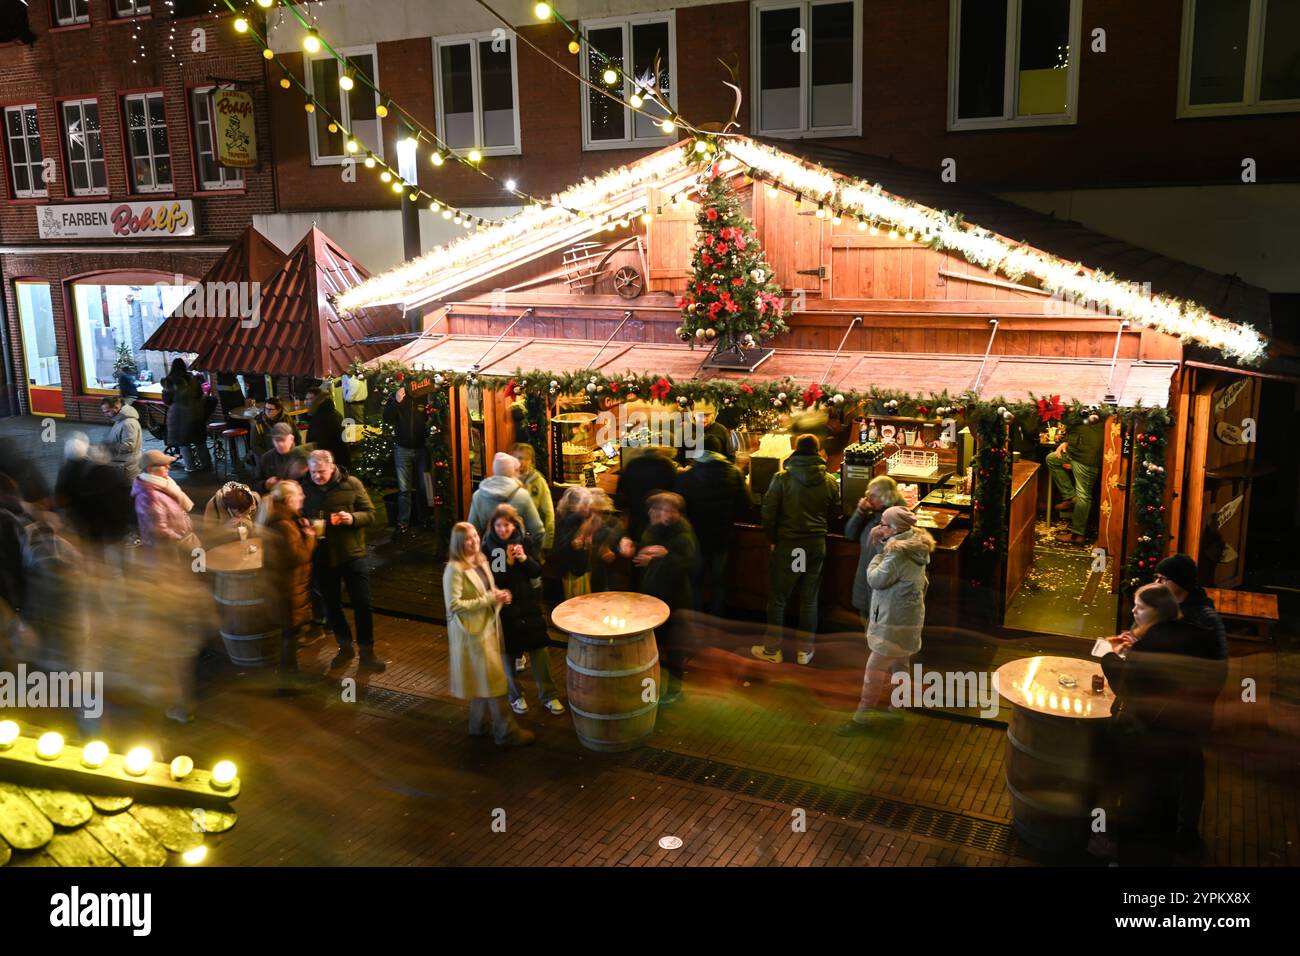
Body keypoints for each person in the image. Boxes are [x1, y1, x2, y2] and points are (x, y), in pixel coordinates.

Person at [1099, 583, 1221, 864]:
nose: (1133, 611)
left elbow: (1127, 687)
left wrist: (1110, 655)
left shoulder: (1151, 647)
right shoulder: (1186, 633)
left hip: (1151, 742)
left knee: (1141, 807)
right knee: (1166, 804)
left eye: (1139, 607)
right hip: (1182, 734)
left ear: (1155, 612)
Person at [1152, 553, 1230, 849]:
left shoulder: (1204, 619)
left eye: (1162, 579)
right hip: (1168, 705)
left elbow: (1217, 669)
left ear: (1179, 583)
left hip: (1189, 708)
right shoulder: (1171, 609)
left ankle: (1186, 831)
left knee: (1188, 769)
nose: (1156, 583)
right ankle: (1168, 823)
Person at [836, 507, 935, 735]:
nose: (878, 528)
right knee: (901, 666)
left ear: (895, 529)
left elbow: (876, 578)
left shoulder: (897, 555)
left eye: (883, 524)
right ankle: (896, 710)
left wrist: (876, 554)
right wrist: (883, 546)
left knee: (874, 672)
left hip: (892, 624)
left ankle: (862, 719)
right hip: (908, 621)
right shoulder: (913, 545)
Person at [443, 521, 535, 747]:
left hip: (487, 627)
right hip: (473, 633)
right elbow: (454, 604)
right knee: (495, 680)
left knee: (483, 679)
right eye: (468, 538)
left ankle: (477, 725)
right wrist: (489, 599)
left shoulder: (481, 560)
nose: (474, 541)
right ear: (458, 543)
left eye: (475, 535)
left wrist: (499, 594)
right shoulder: (454, 569)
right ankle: (506, 731)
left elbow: (485, 588)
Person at [752, 434, 840, 665]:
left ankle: (772, 650)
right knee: (809, 599)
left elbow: (768, 513)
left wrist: (772, 538)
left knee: (779, 598)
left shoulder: (782, 478)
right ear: (819, 452)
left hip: (791, 546)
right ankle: (804, 651)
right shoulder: (830, 481)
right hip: (815, 545)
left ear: (795, 450)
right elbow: (835, 512)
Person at [301, 449, 386, 672]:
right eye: (313, 472)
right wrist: (304, 527)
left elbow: (370, 513)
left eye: (321, 472)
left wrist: (352, 518)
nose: (317, 476)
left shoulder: (352, 484)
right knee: (332, 605)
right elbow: (296, 516)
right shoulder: (304, 488)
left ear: (332, 467)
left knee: (363, 604)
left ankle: (367, 654)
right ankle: (345, 648)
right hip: (321, 557)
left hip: (352, 554)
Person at [482, 504, 565, 716]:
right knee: (509, 655)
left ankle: (549, 695)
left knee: (540, 649)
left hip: (528, 605)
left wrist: (524, 558)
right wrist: (510, 561)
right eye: (499, 525)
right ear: (493, 526)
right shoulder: (494, 548)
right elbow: (499, 579)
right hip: (506, 609)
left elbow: (536, 570)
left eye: (507, 525)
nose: (503, 530)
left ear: (514, 525)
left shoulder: (524, 542)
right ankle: (515, 696)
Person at [621, 491, 697, 705]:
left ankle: (674, 690)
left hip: (674, 601)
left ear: (670, 512)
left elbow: (690, 566)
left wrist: (661, 557)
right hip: (653, 598)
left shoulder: (682, 535)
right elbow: (645, 553)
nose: (650, 513)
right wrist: (632, 547)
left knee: (674, 648)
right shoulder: (656, 529)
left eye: (656, 509)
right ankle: (652, 688)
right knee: (655, 646)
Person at [676, 435, 749, 616]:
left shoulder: (687, 476)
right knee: (719, 580)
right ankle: (717, 616)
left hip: (696, 536)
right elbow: (745, 504)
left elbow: (679, 506)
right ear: (720, 451)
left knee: (695, 581)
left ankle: (696, 617)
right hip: (722, 536)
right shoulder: (734, 473)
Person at [259, 480, 317, 688]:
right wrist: (311, 537)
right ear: (289, 499)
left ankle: (291, 675)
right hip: (288, 588)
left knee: (290, 633)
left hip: (287, 587)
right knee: (290, 635)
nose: (303, 497)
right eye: (299, 495)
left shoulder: (285, 516)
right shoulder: (284, 524)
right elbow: (297, 556)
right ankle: (287, 682)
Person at [843, 475, 906, 628]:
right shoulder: (872, 516)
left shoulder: (898, 521)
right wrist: (860, 512)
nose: (868, 499)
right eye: (867, 494)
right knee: (868, 632)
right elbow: (849, 534)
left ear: (887, 497)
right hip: (865, 585)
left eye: (872, 496)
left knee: (880, 636)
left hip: (883, 592)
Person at [55, 433, 133, 547]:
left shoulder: (68, 470)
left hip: (88, 522)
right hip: (112, 522)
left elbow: (62, 496)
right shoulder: (108, 472)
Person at [1047, 412, 1105, 545]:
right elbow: (1078, 429)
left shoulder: (1089, 410)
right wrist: (1066, 443)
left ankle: (1077, 535)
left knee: (1084, 495)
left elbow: (1074, 423)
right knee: (1052, 459)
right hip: (1078, 453)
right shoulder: (1086, 410)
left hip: (1086, 458)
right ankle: (1071, 497)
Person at [132, 450, 200, 558]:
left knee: (197, 566)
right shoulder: (148, 497)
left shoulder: (164, 483)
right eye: (163, 465)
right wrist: (182, 538)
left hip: (182, 541)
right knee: (188, 571)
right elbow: (159, 530)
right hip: (172, 550)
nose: (168, 467)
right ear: (150, 469)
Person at [383, 381, 430, 534]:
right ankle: (403, 522)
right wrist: (396, 401)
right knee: (404, 490)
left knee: (424, 487)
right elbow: (387, 418)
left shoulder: (425, 395)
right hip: (402, 448)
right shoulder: (397, 395)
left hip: (422, 448)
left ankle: (425, 520)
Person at [467, 452, 544, 541]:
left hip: (487, 551)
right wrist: (530, 550)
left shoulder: (478, 495)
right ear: (512, 471)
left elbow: (472, 530)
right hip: (516, 552)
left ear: (494, 469)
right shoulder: (522, 496)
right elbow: (538, 531)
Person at [616, 444, 679, 546]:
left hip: (636, 507)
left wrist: (623, 507)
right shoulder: (667, 465)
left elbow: (621, 488)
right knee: (657, 538)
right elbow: (674, 489)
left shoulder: (632, 464)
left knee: (637, 537)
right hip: (658, 508)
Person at [161, 358, 211, 473]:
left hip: (179, 416)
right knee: (200, 441)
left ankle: (190, 467)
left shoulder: (169, 381)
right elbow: (200, 394)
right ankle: (206, 464)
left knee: (183, 443)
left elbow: (167, 400)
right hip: (196, 413)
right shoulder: (193, 379)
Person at [512, 443, 554, 553]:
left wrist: (547, 542)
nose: (518, 461)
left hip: (532, 539)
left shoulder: (539, 482)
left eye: (521, 458)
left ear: (530, 461)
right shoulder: (508, 480)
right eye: (515, 458)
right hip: (510, 537)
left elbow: (548, 512)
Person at [202, 482, 261, 546]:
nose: (241, 516)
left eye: (245, 512)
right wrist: (225, 528)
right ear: (229, 507)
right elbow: (207, 534)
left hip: (247, 544)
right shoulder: (214, 504)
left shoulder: (255, 500)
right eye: (238, 512)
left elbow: (257, 527)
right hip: (223, 545)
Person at [99, 396, 142, 481]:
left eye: (107, 411)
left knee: (126, 489)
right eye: (104, 412)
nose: (105, 415)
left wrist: (109, 446)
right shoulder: (120, 420)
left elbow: (129, 446)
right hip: (123, 463)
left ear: (116, 407)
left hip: (127, 467)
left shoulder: (128, 423)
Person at [305, 385, 349, 467]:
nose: (306, 402)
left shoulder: (322, 417)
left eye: (310, 399)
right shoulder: (330, 413)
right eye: (306, 399)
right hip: (337, 461)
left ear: (318, 400)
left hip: (330, 463)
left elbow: (320, 444)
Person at [258, 422, 308, 490]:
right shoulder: (266, 458)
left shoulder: (302, 456)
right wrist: (265, 485)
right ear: (272, 440)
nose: (280, 444)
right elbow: (256, 483)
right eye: (276, 440)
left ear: (291, 439)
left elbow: (311, 485)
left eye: (283, 440)